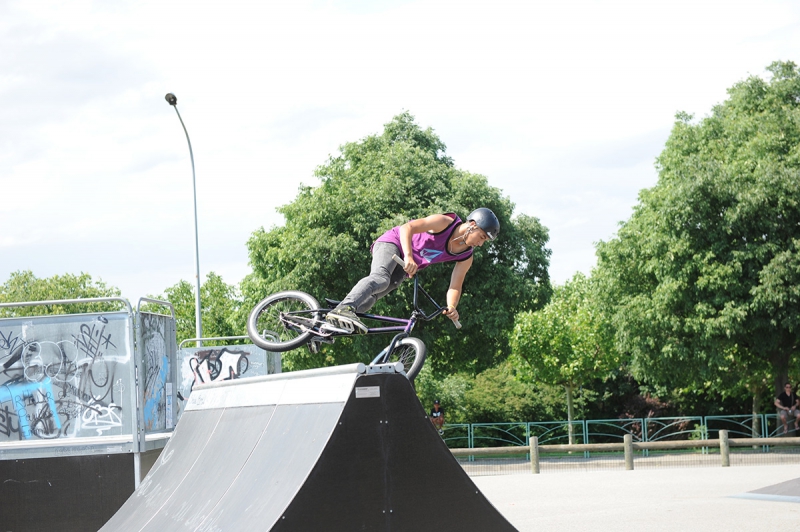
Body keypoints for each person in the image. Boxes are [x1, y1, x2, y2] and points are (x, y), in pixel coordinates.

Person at [325, 209, 500, 333]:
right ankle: (344, 308)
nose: (480, 243)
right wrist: (409, 256)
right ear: (472, 225)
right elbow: (407, 228)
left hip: (406, 265)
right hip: (393, 243)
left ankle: (331, 325)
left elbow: (455, 285)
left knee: (377, 294)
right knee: (381, 279)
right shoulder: (444, 222)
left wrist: (452, 306)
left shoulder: (466, 255)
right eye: (482, 237)